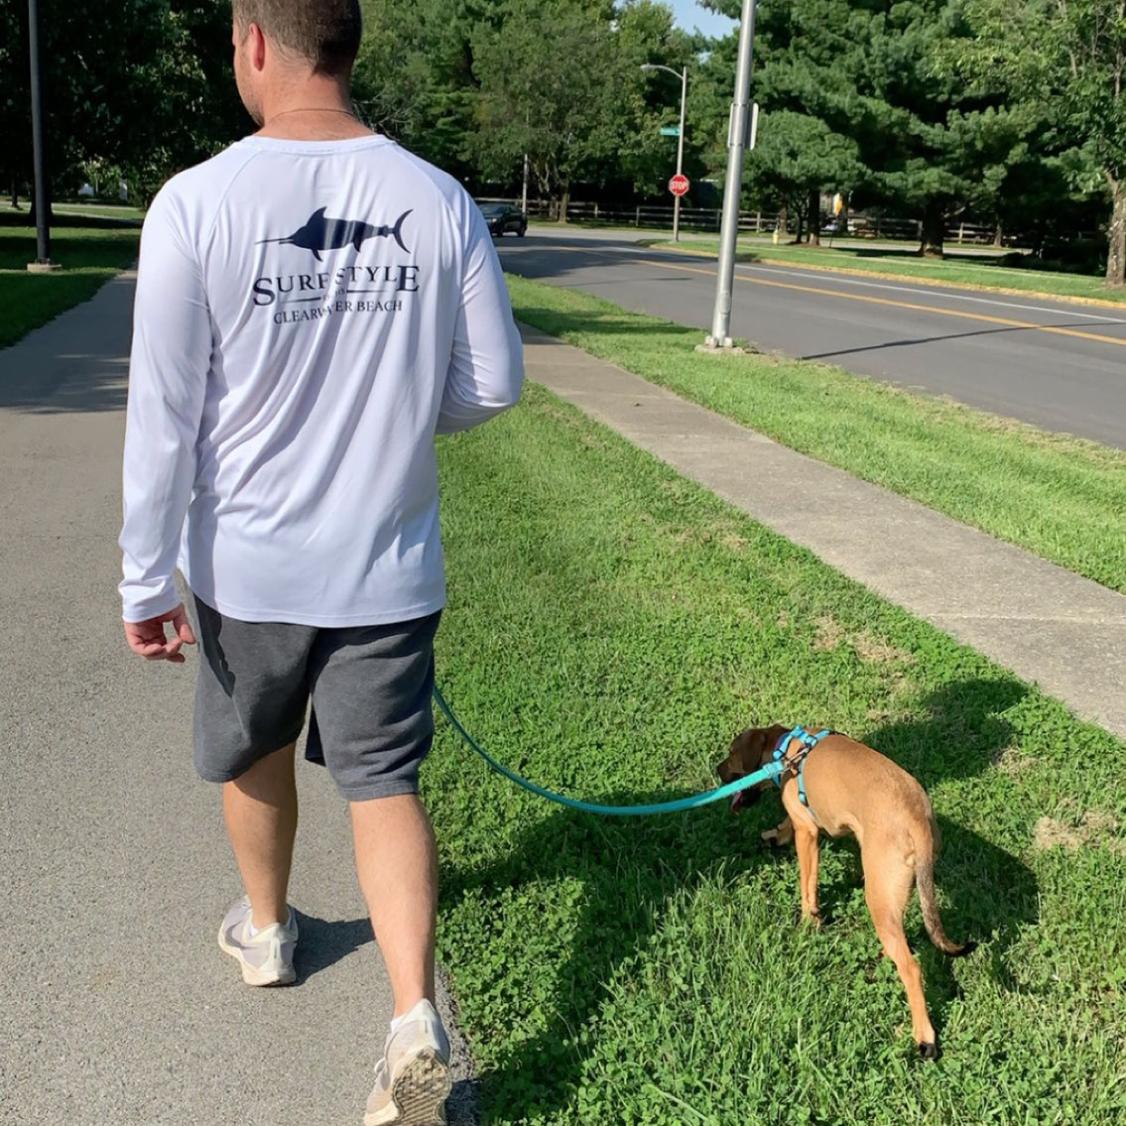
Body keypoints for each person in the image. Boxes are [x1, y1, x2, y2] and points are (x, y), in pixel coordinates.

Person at [117, 2, 524, 1122]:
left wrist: (143, 581)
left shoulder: (195, 201)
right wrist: (395, 420)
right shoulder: (437, 198)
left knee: (253, 752)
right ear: (348, 47)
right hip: (387, 568)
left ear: (255, 42)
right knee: (383, 781)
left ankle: (267, 931)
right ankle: (411, 1016)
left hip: (246, 570)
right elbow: (492, 381)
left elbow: (163, 414)